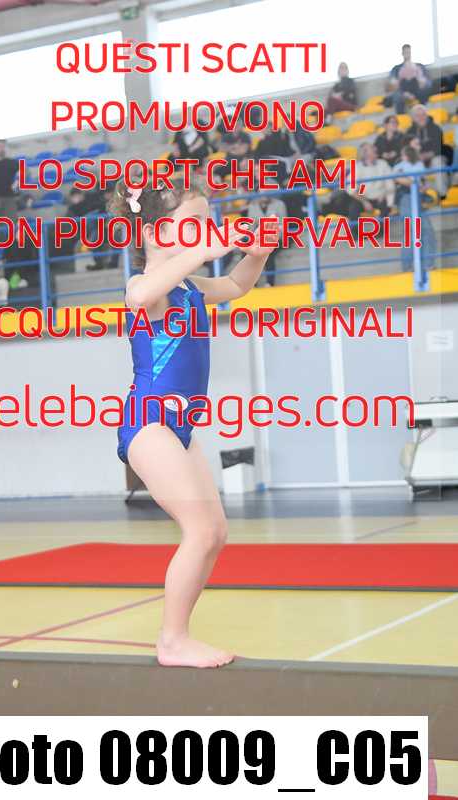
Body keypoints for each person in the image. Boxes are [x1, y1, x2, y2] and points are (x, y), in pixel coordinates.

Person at [110, 177, 276, 668]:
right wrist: (207, 248)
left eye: (208, 221)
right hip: (148, 422)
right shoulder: (145, 285)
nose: (207, 230)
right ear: (157, 233)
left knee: (215, 532)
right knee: (200, 531)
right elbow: (141, 297)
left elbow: (236, 285)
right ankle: (172, 640)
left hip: (178, 427)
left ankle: (177, 637)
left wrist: (258, 255)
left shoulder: (188, 287)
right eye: (195, 223)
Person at [393, 144, 436, 272]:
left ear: (407, 155)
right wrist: (415, 183)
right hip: (406, 197)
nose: (402, 157)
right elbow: (397, 178)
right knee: (411, 231)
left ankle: (428, 264)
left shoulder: (419, 164)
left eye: (403, 154)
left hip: (418, 197)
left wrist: (422, 185)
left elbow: (424, 181)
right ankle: (407, 266)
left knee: (427, 230)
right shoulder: (399, 166)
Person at [406, 104, 448, 198]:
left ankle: (442, 195)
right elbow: (407, 149)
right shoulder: (409, 131)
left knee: (438, 161)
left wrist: (428, 155)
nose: (421, 118)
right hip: (418, 160)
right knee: (410, 165)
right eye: (418, 115)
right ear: (413, 118)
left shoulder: (436, 128)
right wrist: (417, 156)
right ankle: (421, 196)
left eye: (423, 115)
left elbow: (439, 147)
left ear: (427, 115)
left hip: (433, 158)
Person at [386, 44, 432, 113]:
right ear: (402, 53)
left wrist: (420, 79)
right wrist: (404, 93)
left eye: (409, 52)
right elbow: (392, 84)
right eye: (406, 52)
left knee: (425, 90)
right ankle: (401, 116)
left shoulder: (419, 66)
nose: (407, 54)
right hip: (402, 92)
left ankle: (422, 113)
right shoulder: (396, 69)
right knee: (397, 96)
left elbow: (428, 82)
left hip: (418, 89)